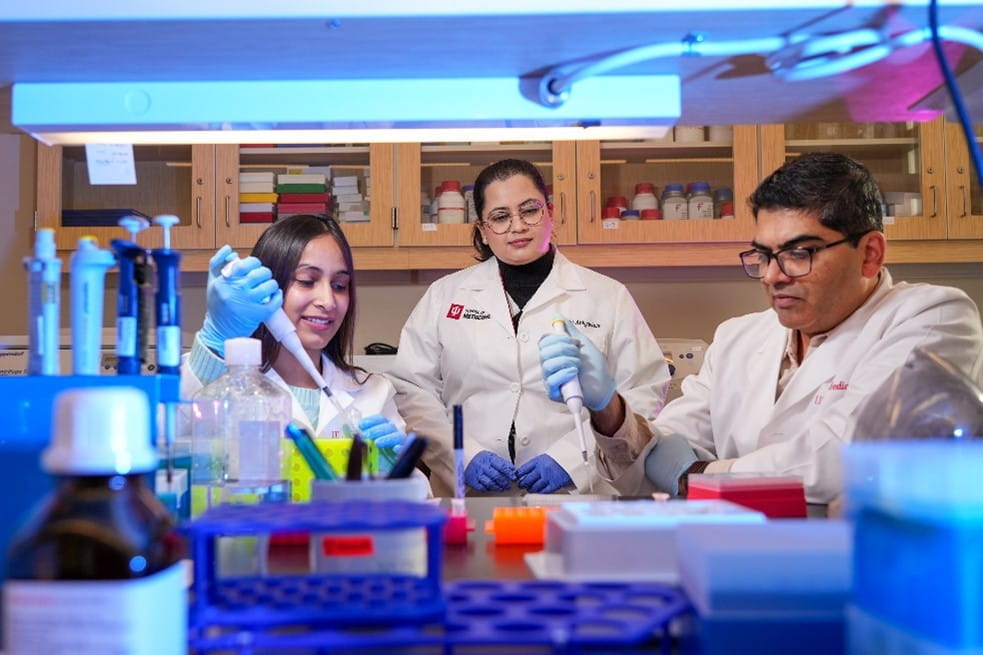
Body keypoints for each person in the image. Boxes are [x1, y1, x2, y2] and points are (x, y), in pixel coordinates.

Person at [542, 152, 983, 503]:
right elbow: (655, 463)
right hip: (736, 560)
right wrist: (609, 410)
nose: (772, 275)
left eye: (799, 254)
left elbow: (848, 459)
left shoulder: (932, 316)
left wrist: (698, 475)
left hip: (864, 564)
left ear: (870, 254)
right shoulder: (739, 337)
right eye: (764, 255)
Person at [388, 159, 671, 497]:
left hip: (578, 493)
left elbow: (643, 391)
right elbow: (412, 391)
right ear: (483, 230)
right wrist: (460, 454)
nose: (518, 226)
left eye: (529, 210)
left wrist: (569, 460)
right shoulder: (444, 296)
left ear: (550, 212)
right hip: (468, 496)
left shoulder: (607, 297)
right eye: (500, 217)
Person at [181, 214, 407, 455]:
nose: (328, 301)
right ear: (268, 289)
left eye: (339, 286)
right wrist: (215, 339)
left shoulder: (375, 393)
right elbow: (168, 439)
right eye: (307, 281)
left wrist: (396, 467)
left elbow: (414, 480)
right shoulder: (221, 388)